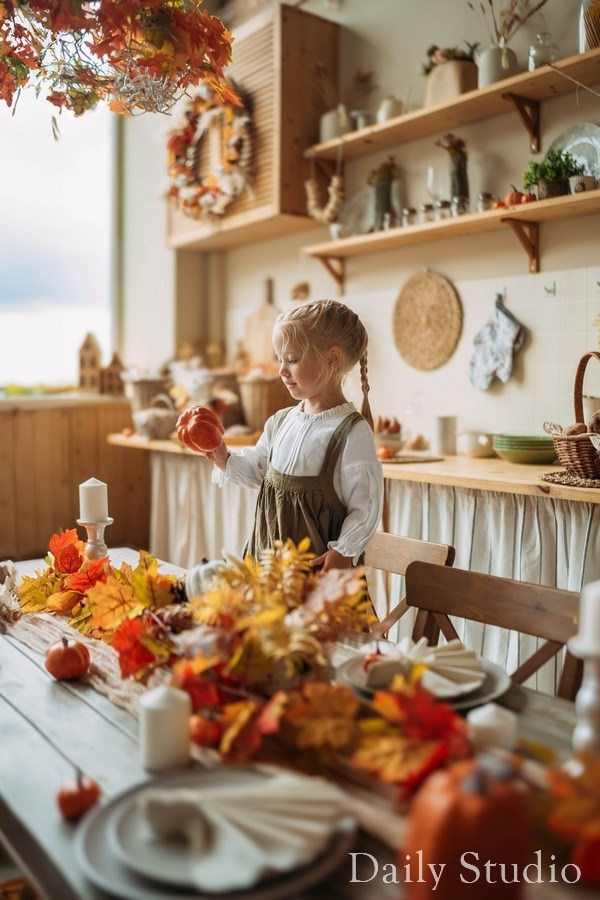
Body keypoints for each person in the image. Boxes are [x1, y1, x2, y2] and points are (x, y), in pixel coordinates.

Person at [206, 299, 384, 571]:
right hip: (268, 571)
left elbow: (365, 508)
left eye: (292, 359)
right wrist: (223, 457)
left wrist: (344, 551)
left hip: (316, 579)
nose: (281, 370)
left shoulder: (351, 433)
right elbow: (259, 470)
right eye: (279, 359)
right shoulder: (281, 422)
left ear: (332, 359)